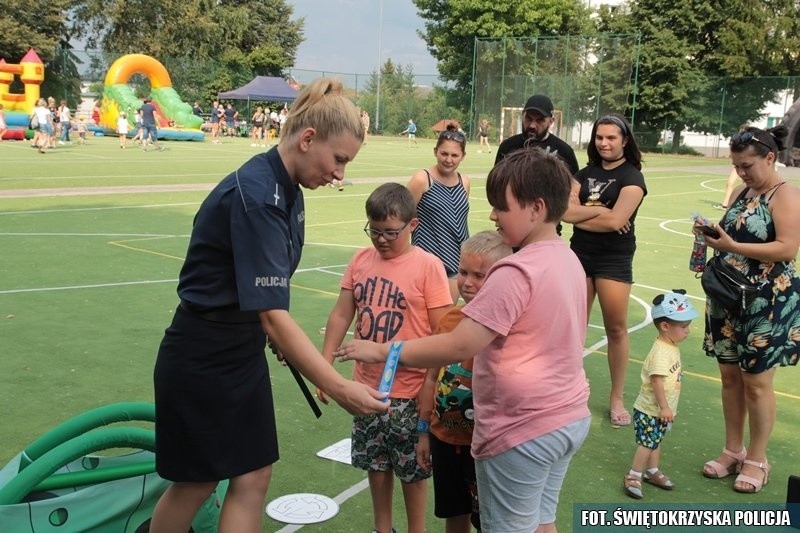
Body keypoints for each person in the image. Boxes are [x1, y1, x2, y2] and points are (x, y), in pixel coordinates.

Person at [149, 78, 388, 533]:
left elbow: (263, 304)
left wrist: (265, 332)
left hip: (239, 347)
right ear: (308, 138)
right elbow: (274, 317)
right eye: (338, 160)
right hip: (203, 353)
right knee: (196, 483)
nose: (340, 174)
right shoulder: (260, 194)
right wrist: (339, 388)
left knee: (254, 473)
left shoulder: (288, 189)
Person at [337, 147, 591, 532]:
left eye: (501, 207)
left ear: (536, 208)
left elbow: (459, 343)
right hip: (567, 418)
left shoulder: (515, 271)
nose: (491, 215)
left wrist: (384, 350)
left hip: (523, 429)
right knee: (541, 523)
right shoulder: (569, 259)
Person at [316, 182, 452, 533]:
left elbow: (444, 332)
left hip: (408, 392)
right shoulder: (361, 260)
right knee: (375, 464)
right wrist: (324, 367)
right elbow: (340, 315)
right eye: (374, 231)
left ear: (413, 225)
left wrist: (430, 384)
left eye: (391, 232)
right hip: (366, 389)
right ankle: (382, 528)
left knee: (412, 471)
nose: (381, 239)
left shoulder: (428, 266)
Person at [696, 125, 800, 493]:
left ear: (770, 158)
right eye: (737, 165)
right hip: (728, 298)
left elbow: (787, 248)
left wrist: (732, 246)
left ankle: (757, 459)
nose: (741, 172)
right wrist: (711, 235)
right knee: (729, 377)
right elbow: (732, 236)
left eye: (747, 165)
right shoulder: (743, 191)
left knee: (757, 383)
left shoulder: (785, 194)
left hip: (765, 302)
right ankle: (732, 450)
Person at [417, 231, 512, 532]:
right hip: (444, 440)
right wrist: (423, 432)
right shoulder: (448, 320)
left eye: (480, 275)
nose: (468, 282)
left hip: (484, 446)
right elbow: (431, 377)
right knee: (454, 514)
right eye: (463, 272)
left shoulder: (505, 328)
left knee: (490, 519)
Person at [562, 113, 647, 427]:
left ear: (625, 140)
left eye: (611, 137)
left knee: (616, 329)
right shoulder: (583, 173)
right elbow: (566, 213)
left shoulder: (633, 177)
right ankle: (568, 390)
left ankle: (616, 397)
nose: (605, 143)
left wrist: (592, 215)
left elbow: (614, 222)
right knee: (574, 326)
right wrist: (604, 213)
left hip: (614, 258)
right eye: (600, 137)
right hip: (580, 255)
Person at [623, 290, 698, 499]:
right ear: (665, 326)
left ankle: (652, 471)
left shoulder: (670, 345)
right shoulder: (660, 352)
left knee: (655, 441)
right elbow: (656, 381)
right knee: (647, 443)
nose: (688, 331)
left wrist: (668, 408)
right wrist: (665, 407)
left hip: (662, 410)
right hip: (650, 409)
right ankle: (634, 474)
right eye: (683, 327)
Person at [407, 125, 471, 303]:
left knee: (444, 321)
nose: (449, 160)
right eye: (444, 154)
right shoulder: (422, 179)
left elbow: (461, 222)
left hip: (455, 264)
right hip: (426, 263)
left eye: (455, 155)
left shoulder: (464, 182)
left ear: (463, 156)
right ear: (435, 151)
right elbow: (403, 220)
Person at [494, 94, 578, 175]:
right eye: (528, 118)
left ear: (551, 121)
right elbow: (496, 184)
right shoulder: (507, 147)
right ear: (522, 116)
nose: (532, 125)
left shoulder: (564, 152)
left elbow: (574, 186)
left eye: (540, 120)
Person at [714, 125, 748, 210]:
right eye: (740, 130)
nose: (741, 132)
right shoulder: (736, 139)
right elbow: (732, 149)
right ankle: (725, 205)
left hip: (746, 166)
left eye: (743, 130)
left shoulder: (749, 142)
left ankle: (745, 204)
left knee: (746, 185)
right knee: (729, 183)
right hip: (738, 165)